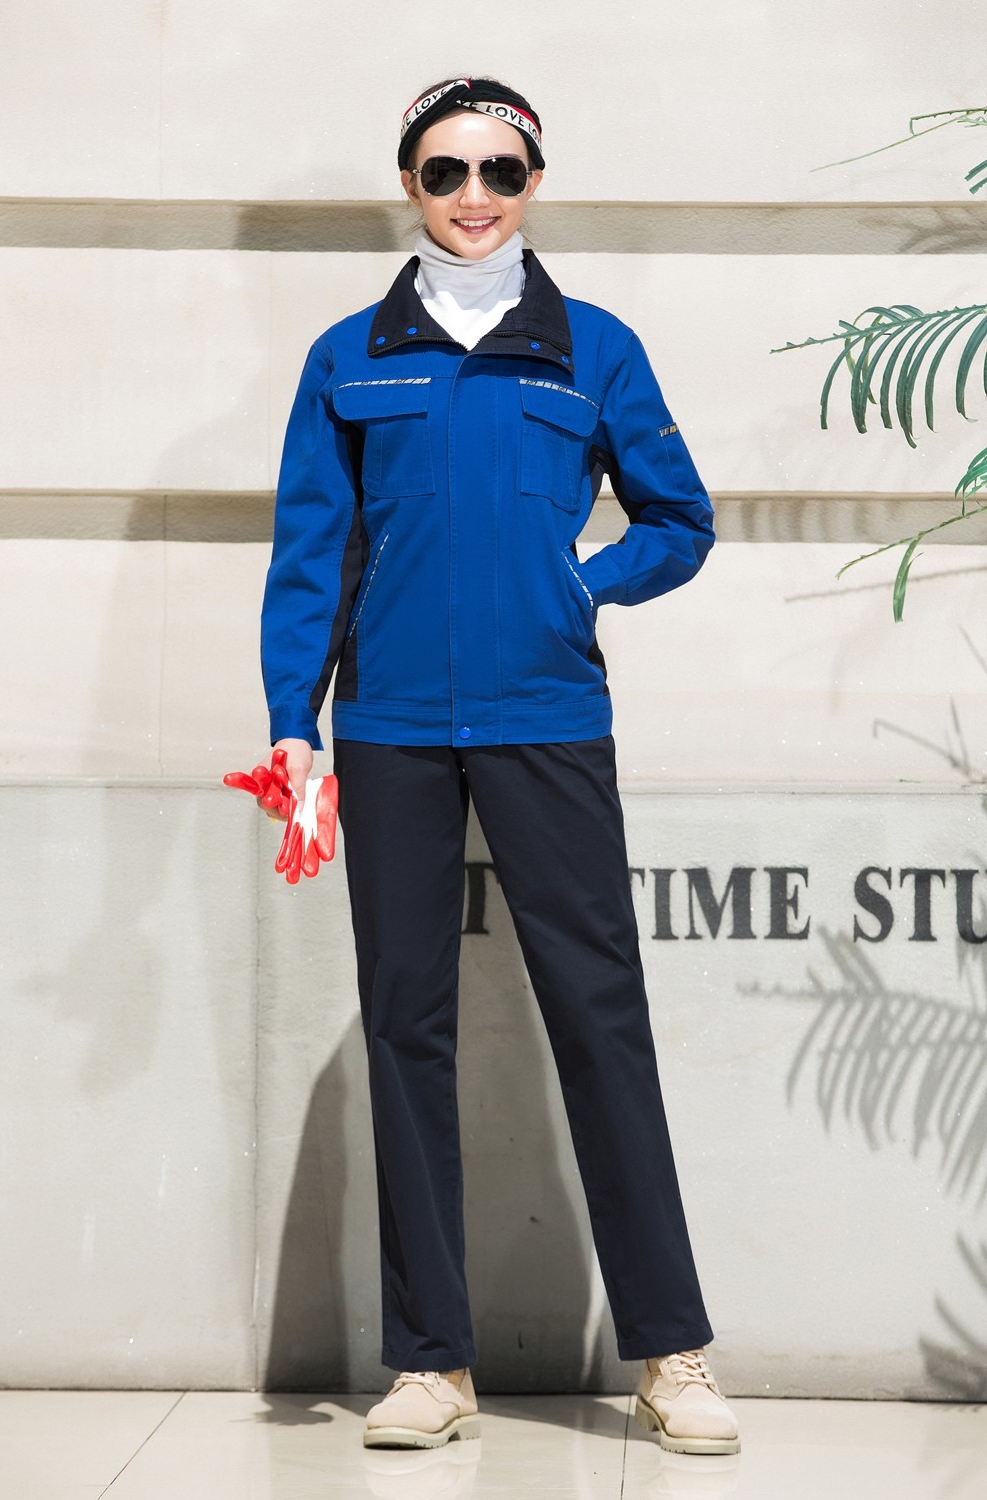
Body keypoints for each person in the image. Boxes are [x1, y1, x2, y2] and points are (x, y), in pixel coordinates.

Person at [258, 76, 740, 1457]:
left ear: (534, 182)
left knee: (601, 1018)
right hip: (392, 728)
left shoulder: (594, 348)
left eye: (500, 171)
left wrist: (580, 585)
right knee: (406, 1027)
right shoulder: (349, 356)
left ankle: (672, 1354)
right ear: (410, 183)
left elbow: (680, 519)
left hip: (547, 716)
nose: (474, 194)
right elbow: (312, 551)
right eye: (446, 170)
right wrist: (294, 718)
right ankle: (432, 1363)